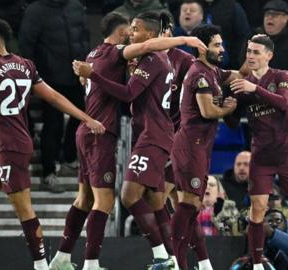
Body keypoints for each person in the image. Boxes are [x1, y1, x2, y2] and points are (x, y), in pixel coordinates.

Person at [49, 12, 205, 270]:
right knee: (108, 201)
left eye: (137, 29)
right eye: (130, 29)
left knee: (111, 198)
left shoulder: (96, 55)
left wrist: (92, 75)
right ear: (122, 34)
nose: (132, 34)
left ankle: (66, 257)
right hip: (105, 133)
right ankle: (93, 263)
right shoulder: (119, 55)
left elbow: (130, 83)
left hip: (131, 133)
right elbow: (141, 53)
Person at [0, 18, 105, 270]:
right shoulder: (25, 65)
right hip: (9, 144)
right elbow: (54, 97)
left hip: (10, 146)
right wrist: (86, 117)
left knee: (23, 209)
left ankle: (41, 266)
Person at [227, 34, 288, 270]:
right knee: (257, 210)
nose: (251, 56)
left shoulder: (282, 76)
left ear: (269, 55)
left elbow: (283, 103)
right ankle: (257, 265)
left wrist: (253, 87)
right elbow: (233, 123)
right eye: (248, 52)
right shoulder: (242, 86)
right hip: (262, 156)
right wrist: (229, 103)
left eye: (256, 52)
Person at [170, 24, 240, 270]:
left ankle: (195, 263)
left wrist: (255, 70)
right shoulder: (199, 74)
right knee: (188, 205)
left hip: (199, 147)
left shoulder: (212, 71)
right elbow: (208, 111)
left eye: (222, 44)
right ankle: (175, 261)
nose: (222, 49)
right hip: (190, 146)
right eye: (217, 45)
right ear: (201, 49)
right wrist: (229, 109)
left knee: (192, 206)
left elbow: (234, 74)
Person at [19, 0, 91, 190]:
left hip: (75, 76)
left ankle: (68, 155)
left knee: (83, 114)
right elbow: (26, 45)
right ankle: (48, 172)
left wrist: (86, 66)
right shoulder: (35, 10)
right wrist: (31, 77)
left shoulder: (76, 6)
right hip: (49, 77)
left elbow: (84, 38)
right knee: (53, 124)